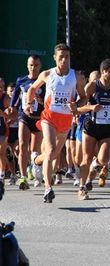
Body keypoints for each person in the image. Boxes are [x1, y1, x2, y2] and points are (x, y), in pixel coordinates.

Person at [26, 43, 86, 203]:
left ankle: (36, 161)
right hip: (48, 118)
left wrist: (77, 105)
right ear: (55, 58)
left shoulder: (77, 76)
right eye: (61, 57)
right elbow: (32, 89)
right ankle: (48, 188)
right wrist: (27, 104)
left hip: (65, 120)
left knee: (51, 155)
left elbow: (84, 97)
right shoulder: (47, 74)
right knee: (51, 149)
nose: (64, 60)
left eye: (67, 57)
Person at [78, 59, 110, 200]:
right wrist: (92, 107)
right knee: (86, 158)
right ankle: (81, 188)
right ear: (103, 71)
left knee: (104, 158)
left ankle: (94, 166)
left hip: (108, 126)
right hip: (91, 125)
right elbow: (79, 108)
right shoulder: (91, 86)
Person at [10, 55, 45, 189]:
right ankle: (23, 177)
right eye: (31, 65)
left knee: (34, 150)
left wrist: (39, 100)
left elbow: (48, 101)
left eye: (36, 65)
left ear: (40, 66)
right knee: (23, 145)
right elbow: (15, 96)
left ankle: (36, 171)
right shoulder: (21, 80)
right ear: (27, 65)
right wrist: (12, 107)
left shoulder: (44, 81)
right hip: (24, 117)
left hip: (38, 119)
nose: (33, 68)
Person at [5, 83, 19, 185]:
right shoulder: (5, 102)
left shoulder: (19, 100)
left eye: (14, 90)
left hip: (19, 129)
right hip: (8, 130)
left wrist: (12, 118)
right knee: (9, 153)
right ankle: (13, 174)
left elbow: (17, 115)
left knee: (18, 150)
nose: (13, 92)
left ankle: (26, 168)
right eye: (11, 90)